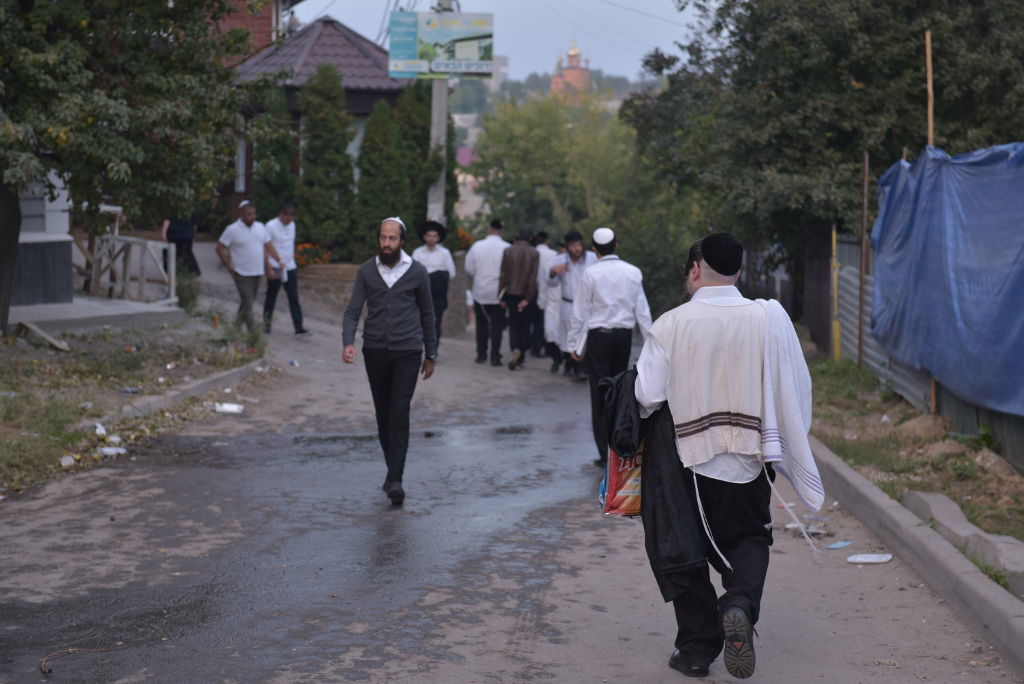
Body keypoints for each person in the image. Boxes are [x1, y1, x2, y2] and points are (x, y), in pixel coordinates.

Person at [633, 233, 822, 679]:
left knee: (687, 550)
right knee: (751, 538)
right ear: (738, 272)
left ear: (695, 269)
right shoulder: (767, 317)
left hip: (689, 459)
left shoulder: (672, 324)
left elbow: (647, 395)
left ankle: (697, 651)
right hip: (752, 453)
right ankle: (738, 602)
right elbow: (796, 384)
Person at [342, 217, 437, 506]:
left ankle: (396, 479)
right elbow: (352, 311)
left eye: (392, 239)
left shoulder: (417, 272)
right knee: (383, 415)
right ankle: (391, 469)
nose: (386, 244)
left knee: (399, 412)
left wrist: (430, 353)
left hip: (408, 351)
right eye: (383, 238)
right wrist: (348, 342)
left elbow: (428, 314)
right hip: (375, 351)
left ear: (402, 241)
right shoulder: (367, 271)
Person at [567, 227, 652, 466]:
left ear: (594, 250)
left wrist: (573, 344)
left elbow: (579, 312)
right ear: (617, 245)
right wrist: (651, 343)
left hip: (599, 338)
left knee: (600, 392)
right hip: (623, 337)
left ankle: (604, 453)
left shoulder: (590, 274)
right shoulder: (633, 272)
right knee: (621, 390)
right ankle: (619, 447)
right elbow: (642, 311)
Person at [215, 200, 286, 332]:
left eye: (254, 214)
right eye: (249, 214)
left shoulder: (260, 227)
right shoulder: (232, 229)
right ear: (241, 214)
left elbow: (268, 245)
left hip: (257, 272)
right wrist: (229, 267)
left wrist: (278, 260)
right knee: (248, 303)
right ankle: (252, 335)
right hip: (241, 273)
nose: (252, 217)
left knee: (248, 301)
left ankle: (235, 329)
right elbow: (219, 247)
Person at [545, 230, 597, 381]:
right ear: (567, 247)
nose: (577, 249)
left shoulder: (592, 259)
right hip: (567, 304)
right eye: (573, 245)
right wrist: (553, 273)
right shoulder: (559, 261)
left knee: (585, 335)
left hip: (587, 305)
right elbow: (550, 283)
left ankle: (582, 368)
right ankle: (570, 365)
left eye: (579, 245)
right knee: (568, 337)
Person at [465, 218, 510, 366]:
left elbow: (469, 268)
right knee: (497, 326)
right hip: (500, 293)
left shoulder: (477, 246)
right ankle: (495, 357)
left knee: (481, 324)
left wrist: (479, 275)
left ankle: (481, 354)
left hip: (481, 290)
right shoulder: (507, 247)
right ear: (501, 230)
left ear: (489, 229)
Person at [263, 204, 309, 335]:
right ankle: (267, 325)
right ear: (280, 214)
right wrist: (268, 268)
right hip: (275, 265)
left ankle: (298, 327)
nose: (289, 219)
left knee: (293, 297)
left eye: (292, 217)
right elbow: (266, 246)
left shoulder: (292, 225)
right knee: (271, 297)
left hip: (290, 266)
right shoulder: (270, 226)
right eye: (287, 216)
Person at [498, 226, 540, 370]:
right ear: (530, 238)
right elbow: (533, 278)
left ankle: (514, 348)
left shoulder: (508, 251)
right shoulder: (534, 253)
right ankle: (520, 357)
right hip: (526, 295)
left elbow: (503, 275)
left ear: (518, 235)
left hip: (511, 293)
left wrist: (501, 296)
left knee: (513, 325)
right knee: (525, 327)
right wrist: (527, 298)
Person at [412, 220, 457, 347]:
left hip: (438, 294)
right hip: (421, 293)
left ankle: (433, 349)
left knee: (436, 322)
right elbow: (412, 272)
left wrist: (436, 277)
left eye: (434, 236)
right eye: (429, 235)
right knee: (419, 321)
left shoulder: (445, 253)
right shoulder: (418, 252)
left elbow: (451, 273)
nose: (431, 239)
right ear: (424, 237)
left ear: (438, 238)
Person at [530, 231, 557, 358]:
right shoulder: (553, 254)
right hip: (547, 291)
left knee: (535, 321)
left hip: (531, 290)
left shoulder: (531, 252)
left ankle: (534, 347)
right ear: (547, 240)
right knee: (545, 321)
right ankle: (547, 348)